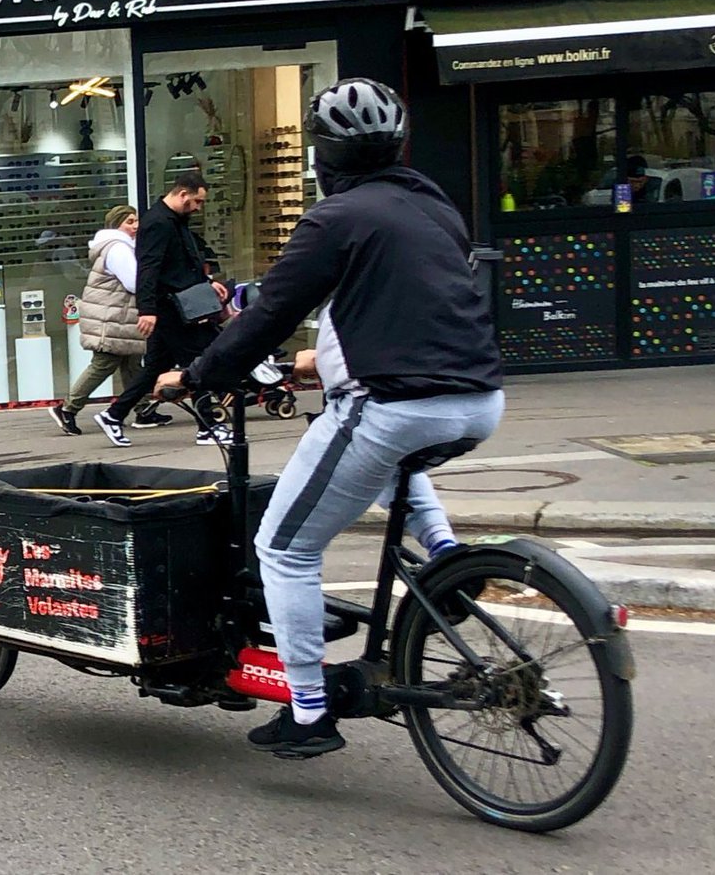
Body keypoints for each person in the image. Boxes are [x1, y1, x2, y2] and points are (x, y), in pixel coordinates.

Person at [155, 78, 505, 758]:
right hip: (480, 398)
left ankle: (310, 712)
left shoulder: (334, 218)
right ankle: (447, 559)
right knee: (378, 458)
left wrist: (195, 377)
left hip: (394, 404)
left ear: (324, 158)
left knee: (284, 548)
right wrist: (322, 360)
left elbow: (268, 316)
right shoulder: (431, 204)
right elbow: (400, 303)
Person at [92, 172, 230, 448]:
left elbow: (184, 263)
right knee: (197, 361)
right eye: (197, 201)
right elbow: (148, 269)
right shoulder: (158, 223)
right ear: (183, 194)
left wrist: (207, 283)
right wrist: (147, 310)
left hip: (175, 304)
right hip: (171, 308)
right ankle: (208, 426)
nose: (198, 207)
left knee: (155, 366)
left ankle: (113, 415)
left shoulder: (173, 220)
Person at [48, 205, 172, 435]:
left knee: (132, 363)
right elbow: (134, 283)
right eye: (129, 222)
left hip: (117, 317)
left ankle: (143, 409)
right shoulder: (118, 248)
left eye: (136, 221)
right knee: (104, 363)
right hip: (112, 318)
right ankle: (67, 409)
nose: (135, 226)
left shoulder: (117, 247)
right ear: (116, 225)